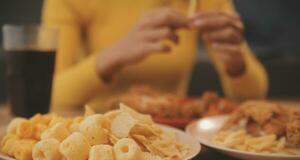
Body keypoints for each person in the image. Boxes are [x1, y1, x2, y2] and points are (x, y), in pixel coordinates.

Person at [42, 0, 268, 111]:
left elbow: (255, 93)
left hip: (176, 140)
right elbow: (50, 94)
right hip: (94, 136)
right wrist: (112, 57)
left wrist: (236, 64)